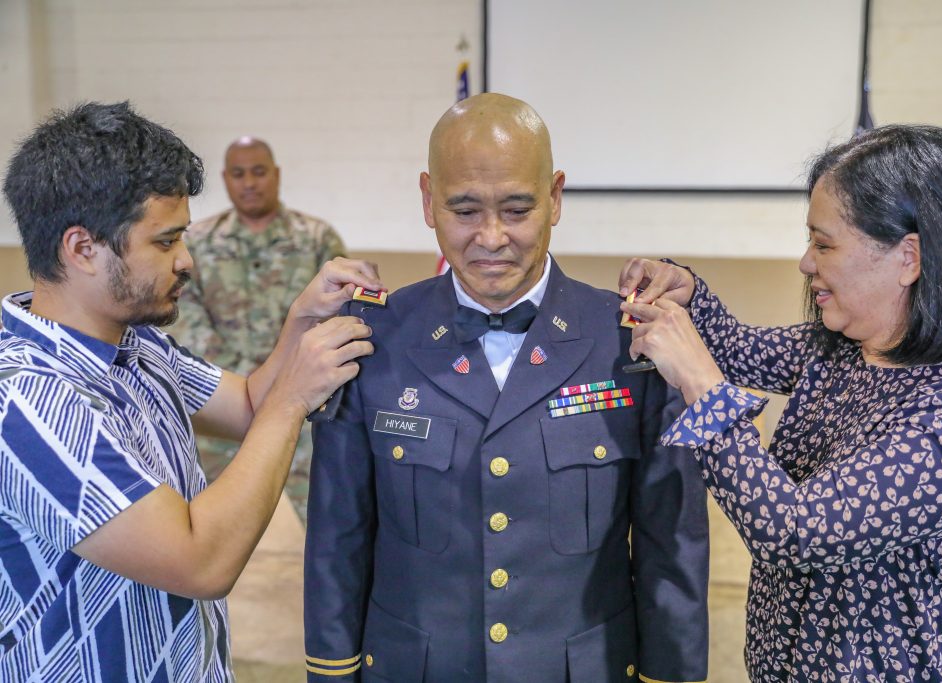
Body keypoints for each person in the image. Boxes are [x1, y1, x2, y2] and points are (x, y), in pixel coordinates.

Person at [304, 93, 709, 683]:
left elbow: (670, 544)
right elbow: (337, 540)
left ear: (555, 197)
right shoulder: (375, 338)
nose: (491, 239)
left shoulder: (631, 344)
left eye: (517, 210)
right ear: (427, 200)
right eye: (464, 210)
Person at [620, 124, 942, 682]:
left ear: (909, 257)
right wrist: (689, 291)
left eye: (825, 243)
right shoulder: (845, 351)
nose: (806, 263)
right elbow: (740, 351)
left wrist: (702, 388)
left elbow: (798, 532)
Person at [0, 102, 380, 681]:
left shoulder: (134, 343)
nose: (187, 261)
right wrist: (294, 398)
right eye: (164, 242)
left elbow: (249, 404)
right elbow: (201, 560)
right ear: (81, 249)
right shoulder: (30, 400)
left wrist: (302, 318)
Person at [169, 137, 347, 525]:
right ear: (226, 180)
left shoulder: (316, 238)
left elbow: (339, 312)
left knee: (329, 515)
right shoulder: (197, 241)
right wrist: (247, 383)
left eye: (259, 171)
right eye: (238, 173)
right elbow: (187, 318)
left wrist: (290, 378)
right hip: (223, 400)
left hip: (305, 403)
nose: (249, 182)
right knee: (204, 523)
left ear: (276, 175)